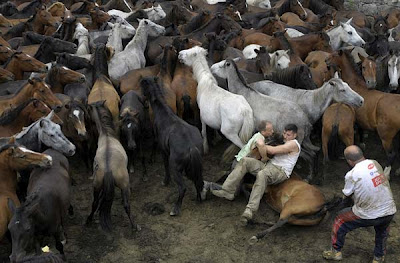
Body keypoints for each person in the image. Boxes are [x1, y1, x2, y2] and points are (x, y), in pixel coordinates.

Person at [211, 123, 300, 225]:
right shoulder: (285, 142)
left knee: (262, 174)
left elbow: (272, 150)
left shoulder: (293, 144)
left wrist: (259, 142)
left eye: (288, 135)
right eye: (284, 133)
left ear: (294, 135)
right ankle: (228, 190)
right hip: (269, 166)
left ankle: (250, 210)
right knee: (245, 161)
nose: (285, 136)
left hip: (280, 171)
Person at [322, 145, 396, 263]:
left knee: (340, 219)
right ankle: (378, 257)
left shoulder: (352, 174)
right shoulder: (374, 163)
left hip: (367, 214)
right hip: (389, 211)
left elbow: (347, 195)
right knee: (382, 231)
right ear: (362, 155)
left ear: (349, 161)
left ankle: (335, 252)